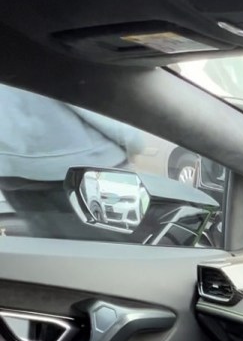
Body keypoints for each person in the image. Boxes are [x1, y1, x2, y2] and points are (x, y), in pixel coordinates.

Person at [0, 85, 144, 237]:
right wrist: (132, 140)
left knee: (56, 250)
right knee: (126, 246)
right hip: (91, 168)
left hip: (14, 173)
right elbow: (80, 90)